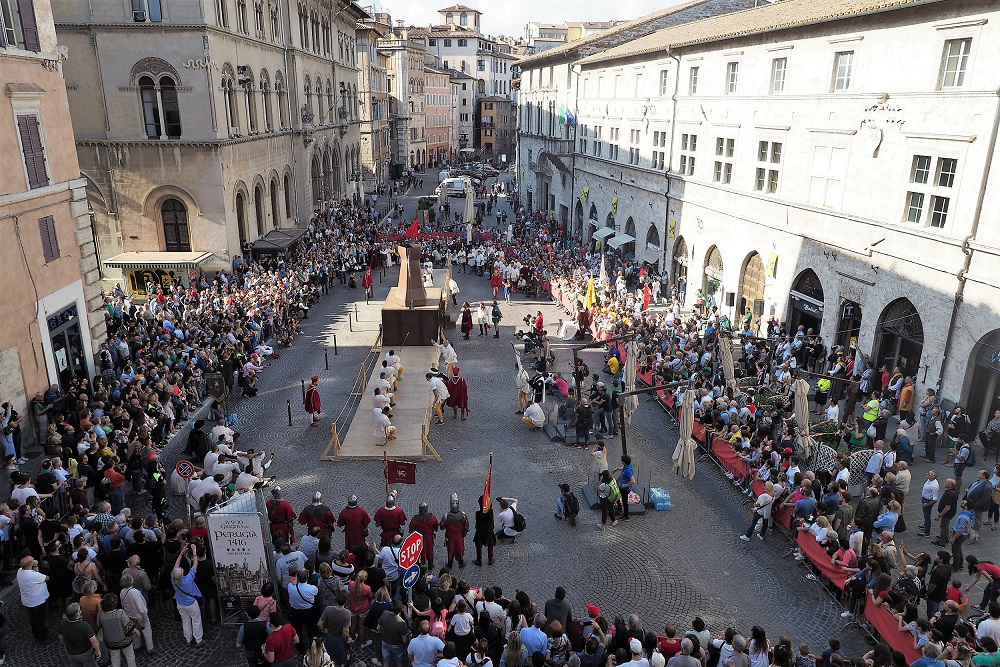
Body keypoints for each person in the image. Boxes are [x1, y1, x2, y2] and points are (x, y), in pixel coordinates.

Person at [171, 544, 205, 647]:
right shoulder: (187, 580)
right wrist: (194, 552)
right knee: (196, 620)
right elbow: (195, 565)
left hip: (180, 603)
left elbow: (176, 565)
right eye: (181, 570)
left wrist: (181, 553)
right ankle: (198, 640)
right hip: (191, 603)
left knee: (185, 621)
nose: (181, 568)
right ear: (181, 574)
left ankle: (188, 639)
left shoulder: (173, 578)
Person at [96, 592, 138, 667]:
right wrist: (136, 631)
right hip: (123, 640)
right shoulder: (120, 612)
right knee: (130, 655)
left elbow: (98, 626)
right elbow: (128, 625)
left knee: (114, 657)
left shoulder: (100, 615)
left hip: (110, 641)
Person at [17, 554, 49, 643]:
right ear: (30, 565)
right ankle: (43, 638)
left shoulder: (20, 571)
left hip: (29, 601)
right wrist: (35, 565)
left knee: (34, 619)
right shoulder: (32, 576)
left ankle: (37, 634)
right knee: (41, 620)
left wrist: (34, 566)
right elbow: (46, 578)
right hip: (38, 601)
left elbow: (36, 572)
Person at [236, 602, 272, 667]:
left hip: (250, 651)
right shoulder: (265, 625)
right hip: (263, 649)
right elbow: (272, 636)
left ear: (248, 615)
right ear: (259, 613)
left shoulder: (243, 627)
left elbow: (238, 645)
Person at [441, 494, 469, 569]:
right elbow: (466, 525)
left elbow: (442, 526)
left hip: (450, 536)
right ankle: (460, 562)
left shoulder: (446, 516)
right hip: (459, 535)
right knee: (459, 548)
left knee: (450, 549)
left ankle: (450, 564)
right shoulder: (463, 515)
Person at [410, 502, 440, 570]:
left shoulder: (415, 519)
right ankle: (430, 565)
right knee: (429, 551)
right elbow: (436, 527)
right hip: (428, 538)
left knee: (419, 552)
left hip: (419, 539)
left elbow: (411, 530)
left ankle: (419, 565)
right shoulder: (432, 517)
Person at [473, 495, 496, 566]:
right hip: (489, 531)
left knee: (479, 546)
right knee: (490, 545)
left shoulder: (477, 513)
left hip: (480, 532)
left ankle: (479, 560)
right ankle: (490, 559)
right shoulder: (491, 513)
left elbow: (476, 521)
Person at [614, 455, 637, 520]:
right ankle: (619, 508)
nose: (621, 461)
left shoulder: (628, 471)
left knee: (624, 501)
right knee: (617, 495)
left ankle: (626, 516)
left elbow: (633, 481)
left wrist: (626, 485)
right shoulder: (627, 466)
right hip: (621, 486)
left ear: (624, 462)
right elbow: (623, 468)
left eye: (622, 460)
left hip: (625, 489)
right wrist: (617, 468)